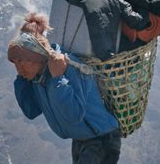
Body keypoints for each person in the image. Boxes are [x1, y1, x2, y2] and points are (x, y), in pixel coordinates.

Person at [7, 13, 121, 164]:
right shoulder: (37, 77)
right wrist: (22, 80)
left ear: (36, 55)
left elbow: (74, 115)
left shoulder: (70, 67)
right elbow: (31, 111)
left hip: (101, 140)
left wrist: (58, 79)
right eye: (15, 63)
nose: (18, 69)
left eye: (21, 62)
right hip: (81, 139)